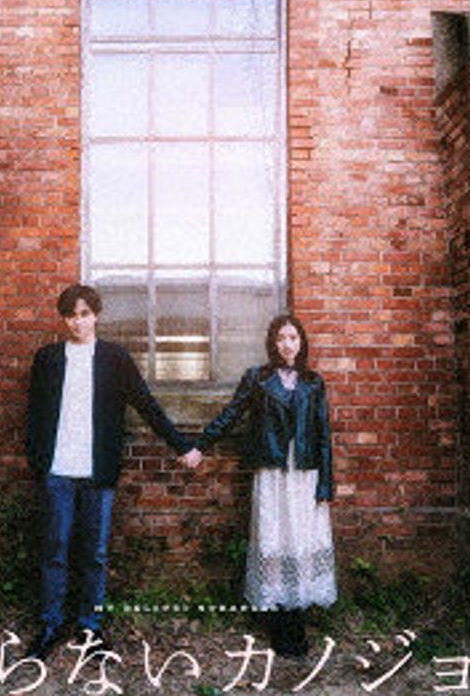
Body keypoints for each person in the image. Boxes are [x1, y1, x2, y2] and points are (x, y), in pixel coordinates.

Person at [25, 283, 195, 660]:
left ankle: (90, 628)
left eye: (84, 314)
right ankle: (51, 624)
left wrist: (182, 445)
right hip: (57, 472)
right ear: (64, 319)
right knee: (54, 550)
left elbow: (146, 404)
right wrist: (37, 461)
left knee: (95, 554)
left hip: (97, 472)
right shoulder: (48, 359)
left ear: (96, 316)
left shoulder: (114, 359)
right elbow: (34, 414)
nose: (78, 322)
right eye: (71, 315)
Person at [184, 314, 337, 657]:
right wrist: (200, 446)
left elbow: (323, 435)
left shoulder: (313, 382)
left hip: (305, 474)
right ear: (272, 343)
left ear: (301, 342)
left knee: (301, 540)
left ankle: (297, 618)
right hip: (272, 472)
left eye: (293, 338)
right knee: (275, 538)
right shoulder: (258, 379)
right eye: (281, 338)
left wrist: (326, 484)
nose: (287, 344)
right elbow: (231, 414)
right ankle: (279, 621)